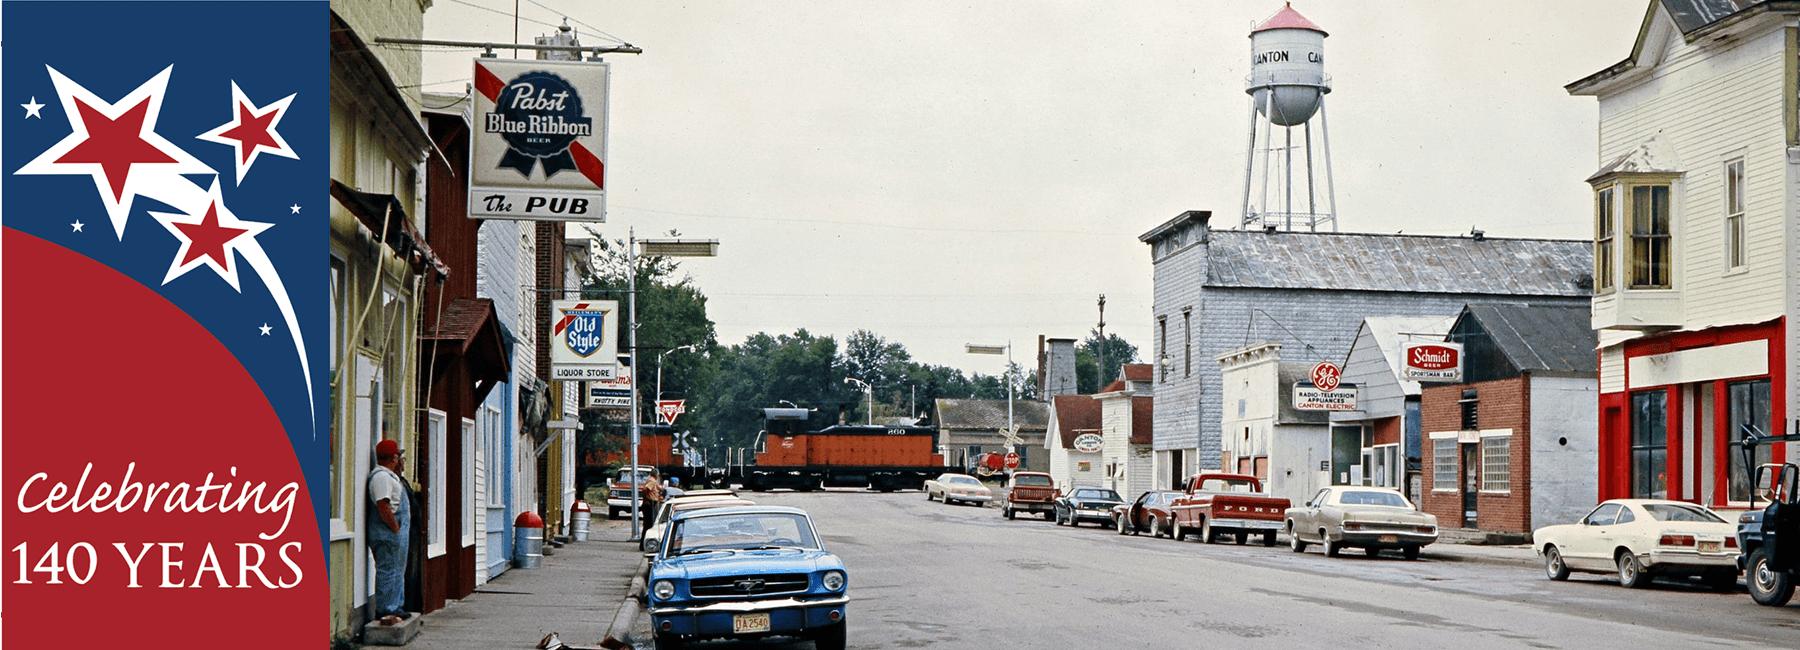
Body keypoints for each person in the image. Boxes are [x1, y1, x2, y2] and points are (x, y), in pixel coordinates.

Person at [368, 439, 410, 626]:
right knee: (389, 570)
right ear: (393, 458)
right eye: (399, 457)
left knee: (396, 570)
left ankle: (396, 607)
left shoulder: (389, 476)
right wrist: (395, 527)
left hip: (393, 532)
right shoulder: (382, 478)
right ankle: (387, 610)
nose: (401, 460)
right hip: (388, 533)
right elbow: (383, 505)